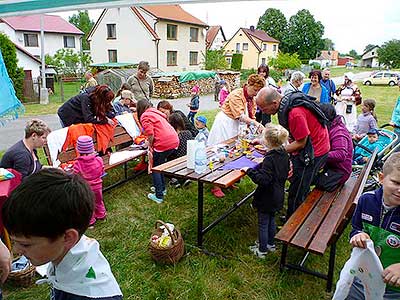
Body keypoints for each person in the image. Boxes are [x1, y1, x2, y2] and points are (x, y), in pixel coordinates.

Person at [2, 168, 123, 300]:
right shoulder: (66, 252)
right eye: (14, 242)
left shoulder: (92, 295)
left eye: (25, 244)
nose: (16, 250)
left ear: (67, 237)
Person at [256, 86, 330, 216]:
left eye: (263, 109)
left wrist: (273, 151)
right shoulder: (286, 104)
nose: (263, 112)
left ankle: (292, 226)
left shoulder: (294, 113)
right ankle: (295, 214)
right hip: (310, 147)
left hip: (315, 152)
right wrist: (265, 142)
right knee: (296, 181)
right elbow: (291, 136)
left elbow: (301, 143)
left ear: (274, 103)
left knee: (298, 189)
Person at [345, 153, 400, 299]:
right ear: (381, 178)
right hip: (362, 275)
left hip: (394, 289)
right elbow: (356, 228)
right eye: (396, 182)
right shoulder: (366, 200)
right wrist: (357, 235)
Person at [208, 74, 265, 198]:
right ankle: (215, 184)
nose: (256, 93)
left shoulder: (251, 99)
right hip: (225, 123)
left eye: (258, 91)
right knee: (220, 153)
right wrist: (254, 123)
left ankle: (228, 179)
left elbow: (251, 115)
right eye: (255, 90)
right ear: (248, 85)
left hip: (237, 126)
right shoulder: (236, 94)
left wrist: (254, 127)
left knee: (234, 152)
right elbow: (240, 115)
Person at [241, 124, 289, 258]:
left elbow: (263, 179)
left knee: (263, 222)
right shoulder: (284, 154)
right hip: (278, 193)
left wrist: (249, 171)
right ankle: (270, 244)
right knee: (271, 219)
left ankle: (262, 250)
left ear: (267, 141)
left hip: (267, 196)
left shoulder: (270, 158)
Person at [137, 100, 179, 203]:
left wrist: (149, 144)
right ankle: (161, 188)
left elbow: (150, 134)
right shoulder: (157, 113)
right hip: (174, 141)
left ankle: (159, 195)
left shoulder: (145, 116)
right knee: (161, 165)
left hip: (163, 143)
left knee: (155, 168)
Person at [317, 104, 353, 190]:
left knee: (305, 177)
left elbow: (340, 154)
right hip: (333, 170)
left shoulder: (339, 131)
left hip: (338, 174)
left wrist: (319, 155)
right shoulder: (334, 126)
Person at [73, 135, 107, 227]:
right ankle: (102, 215)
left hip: (86, 188)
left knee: (88, 204)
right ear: (92, 148)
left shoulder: (77, 164)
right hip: (98, 186)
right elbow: (102, 171)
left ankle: (91, 222)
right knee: (99, 201)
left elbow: (76, 175)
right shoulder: (99, 160)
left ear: (79, 150)